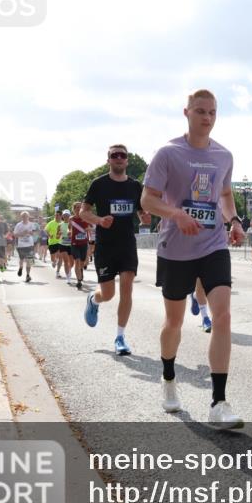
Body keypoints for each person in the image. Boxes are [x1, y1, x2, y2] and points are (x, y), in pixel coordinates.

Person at [140, 89, 245, 426]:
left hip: (213, 245)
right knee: (174, 322)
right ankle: (169, 378)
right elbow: (147, 200)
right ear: (186, 113)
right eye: (200, 111)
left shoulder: (224, 155)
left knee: (223, 316)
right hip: (176, 249)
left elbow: (225, 194)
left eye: (212, 112)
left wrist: (234, 220)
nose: (207, 118)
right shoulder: (168, 153)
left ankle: (219, 403)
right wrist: (176, 214)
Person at [81, 143, 152, 356]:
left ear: (127, 160)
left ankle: (120, 337)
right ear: (109, 160)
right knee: (108, 294)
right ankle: (93, 300)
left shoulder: (135, 186)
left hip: (127, 244)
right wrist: (99, 220)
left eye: (122, 155)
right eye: (115, 155)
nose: (119, 158)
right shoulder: (98, 184)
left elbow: (141, 211)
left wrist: (144, 217)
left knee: (127, 288)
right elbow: (84, 212)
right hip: (106, 245)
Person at [69, 202, 91, 290]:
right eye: (77, 207)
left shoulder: (85, 218)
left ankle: (81, 270)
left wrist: (88, 229)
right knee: (77, 261)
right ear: (74, 209)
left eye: (80, 207)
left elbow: (91, 227)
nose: (78, 209)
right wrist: (69, 232)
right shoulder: (71, 219)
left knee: (82, 262)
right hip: (74, 243)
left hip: (83, 243)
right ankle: (79, 281)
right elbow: (69, 229)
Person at [13, 211, 38, 283]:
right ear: (21, 217)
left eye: (26, 216)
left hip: (30, 245)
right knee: (21, 259)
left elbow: (35, 233)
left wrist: (30, 232)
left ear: (28, 217)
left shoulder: (32, 224)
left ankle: (27, 275)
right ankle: (20, 268)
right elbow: (15, 235)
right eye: (23, 216)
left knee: (29, 261)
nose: (25, 218)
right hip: (21, 245)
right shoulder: (18, 225)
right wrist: (22, 233)